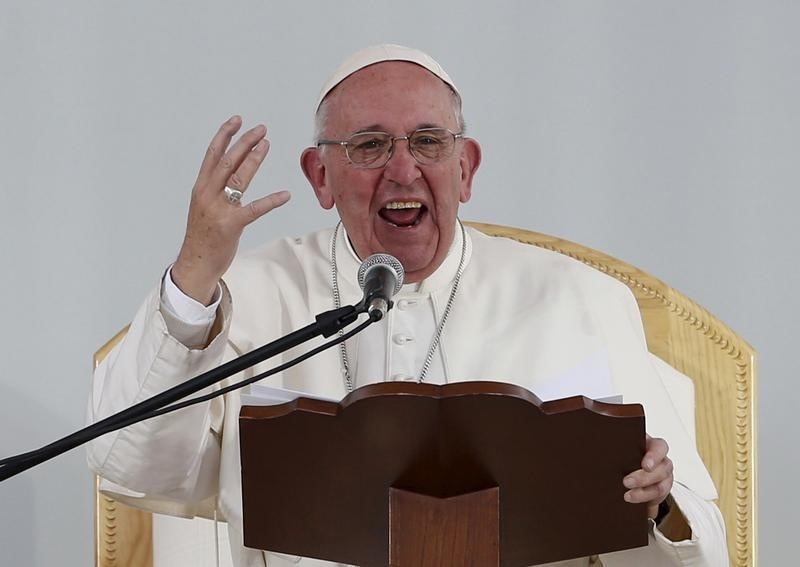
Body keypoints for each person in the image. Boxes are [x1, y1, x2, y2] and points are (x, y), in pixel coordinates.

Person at [87, 45, 728, 566]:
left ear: (466, 169)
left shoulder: (578, 300)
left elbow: (703, 546)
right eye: (368, 145)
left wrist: (658, 503)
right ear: (319, 176)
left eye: (427, 141)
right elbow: (129, 463)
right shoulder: (251, 295)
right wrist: (197, 266)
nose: (401, 170)